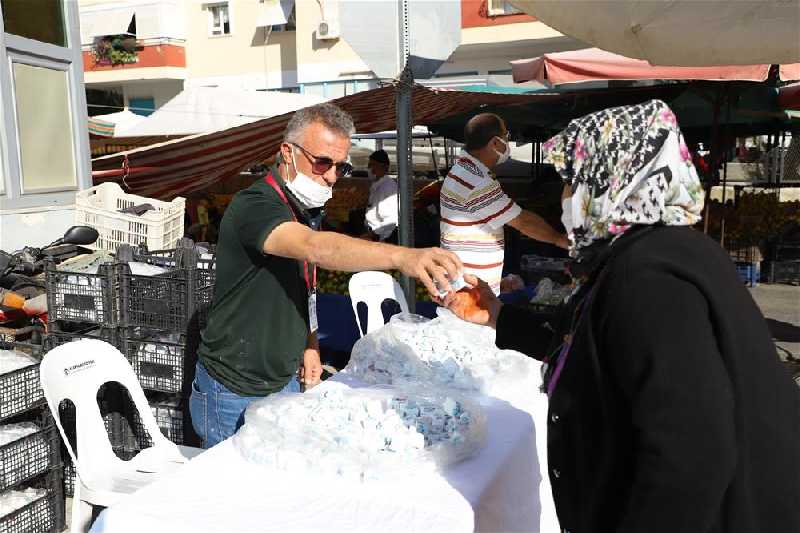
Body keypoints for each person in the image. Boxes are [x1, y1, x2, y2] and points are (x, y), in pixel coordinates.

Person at [445, 100, 800, 533]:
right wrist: (498, 316)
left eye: (572, 182)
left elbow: (689, 453)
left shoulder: (650, 281)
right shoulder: (648, 253)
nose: (564, 198)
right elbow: (590, 340)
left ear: (616, 179)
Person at [191, 103, 462, 448]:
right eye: (323, 163)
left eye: (341, 166)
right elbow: (315, 249)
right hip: (233, 387)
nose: (332, 176)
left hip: (284, 378)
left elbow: (305, 284)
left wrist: (310, 344)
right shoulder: (255, 205)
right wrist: (402, 256)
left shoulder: (305, 209)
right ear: (287, 153)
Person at [440, 113, 568, 294]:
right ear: (494, 143)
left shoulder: (464, 170)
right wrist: (559, 239)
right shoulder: (475, 180)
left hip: (465, 280)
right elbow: (522, 221)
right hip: (468, 288)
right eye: (506, 136)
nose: (508, 143)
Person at [364, 149, 399, 243]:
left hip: (381, 237)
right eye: (369, 165)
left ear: (383, 167)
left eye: (372, 165)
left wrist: (375, 235)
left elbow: (390, 219)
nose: (369, 168)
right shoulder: (377, 185)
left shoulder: (387, 187)